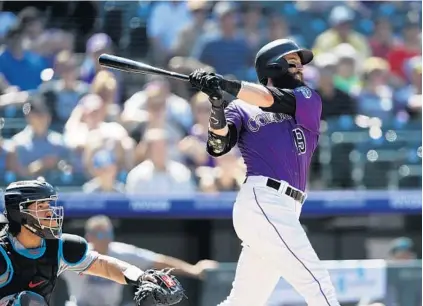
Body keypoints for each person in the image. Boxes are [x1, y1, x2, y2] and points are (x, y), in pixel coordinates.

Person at [188, 39, 340, 305]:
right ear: (274, 66)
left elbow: (269, 99)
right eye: (293, 62)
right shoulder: (240, 107)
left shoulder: (308, 98)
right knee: (318, 284)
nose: (300, 69)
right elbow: (218, 145)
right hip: (263, 199)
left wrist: (225, 84)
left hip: (287, 207)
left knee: (245, 301)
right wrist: (216, 103)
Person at [0, 178, 179, 306]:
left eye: (49, 205)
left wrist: (140, 276)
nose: (50, 213)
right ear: (19, 213)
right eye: (40, 207)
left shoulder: (58, 247)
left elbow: (102, 264)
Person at [62, 215, 218, 306]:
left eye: (109, 234)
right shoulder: (76, 253)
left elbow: (158, 260)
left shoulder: (119, 252)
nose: (106, 240)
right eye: (101, 236)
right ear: (89, 237)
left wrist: (192, 269)